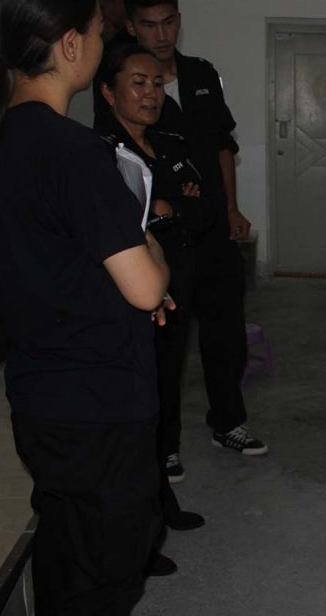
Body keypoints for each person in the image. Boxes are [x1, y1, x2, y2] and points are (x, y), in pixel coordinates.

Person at [0, 0, 169, 610]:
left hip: (40, 393)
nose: (101, 39)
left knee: (65, 545)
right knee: (108, 568)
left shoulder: (0, 141)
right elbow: (143, 287)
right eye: (96, 29)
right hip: (98, 401)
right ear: (67, 43)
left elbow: (49, 262)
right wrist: (155, 251)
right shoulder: (75, 150)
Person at [118, 0, 267, 476]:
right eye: (148, 24)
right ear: (130, 25)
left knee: (227, 334)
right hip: (162, 239)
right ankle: (165, 444)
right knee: (168, 343)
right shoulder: (122, 81)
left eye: (169, 22)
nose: (161, 35)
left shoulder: (201, 74)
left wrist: (230, 209)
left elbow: (223, 146)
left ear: (179, 20)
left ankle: (228, 421)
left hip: (212, 228)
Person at [95, 40, 209, 573]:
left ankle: (162, 507)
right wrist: (168, 208)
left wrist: (171, 208)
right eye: (137, 83)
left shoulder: (168, 140)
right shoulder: (103, 153)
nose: (151, 93)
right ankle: (138, 541)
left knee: (164, 400)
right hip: (136, 303)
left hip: (175, 287)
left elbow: (195, 202)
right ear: (108, 91)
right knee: (136, 416)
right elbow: (144, 221)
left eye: (157, 83)